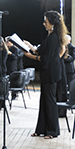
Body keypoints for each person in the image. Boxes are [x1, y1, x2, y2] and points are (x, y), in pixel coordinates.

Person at [24, 10, 67, 139]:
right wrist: (29, 46)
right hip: (47, 73)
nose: (44, 24)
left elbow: (45, 59)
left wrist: (29, 56)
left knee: (49, 102)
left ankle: (52, 131)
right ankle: (41, 129)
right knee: (44, 101)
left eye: (46, 21)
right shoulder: (51, 37)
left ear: (52, 23)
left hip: (51, 73)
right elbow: (40, 50)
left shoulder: (54, 38)